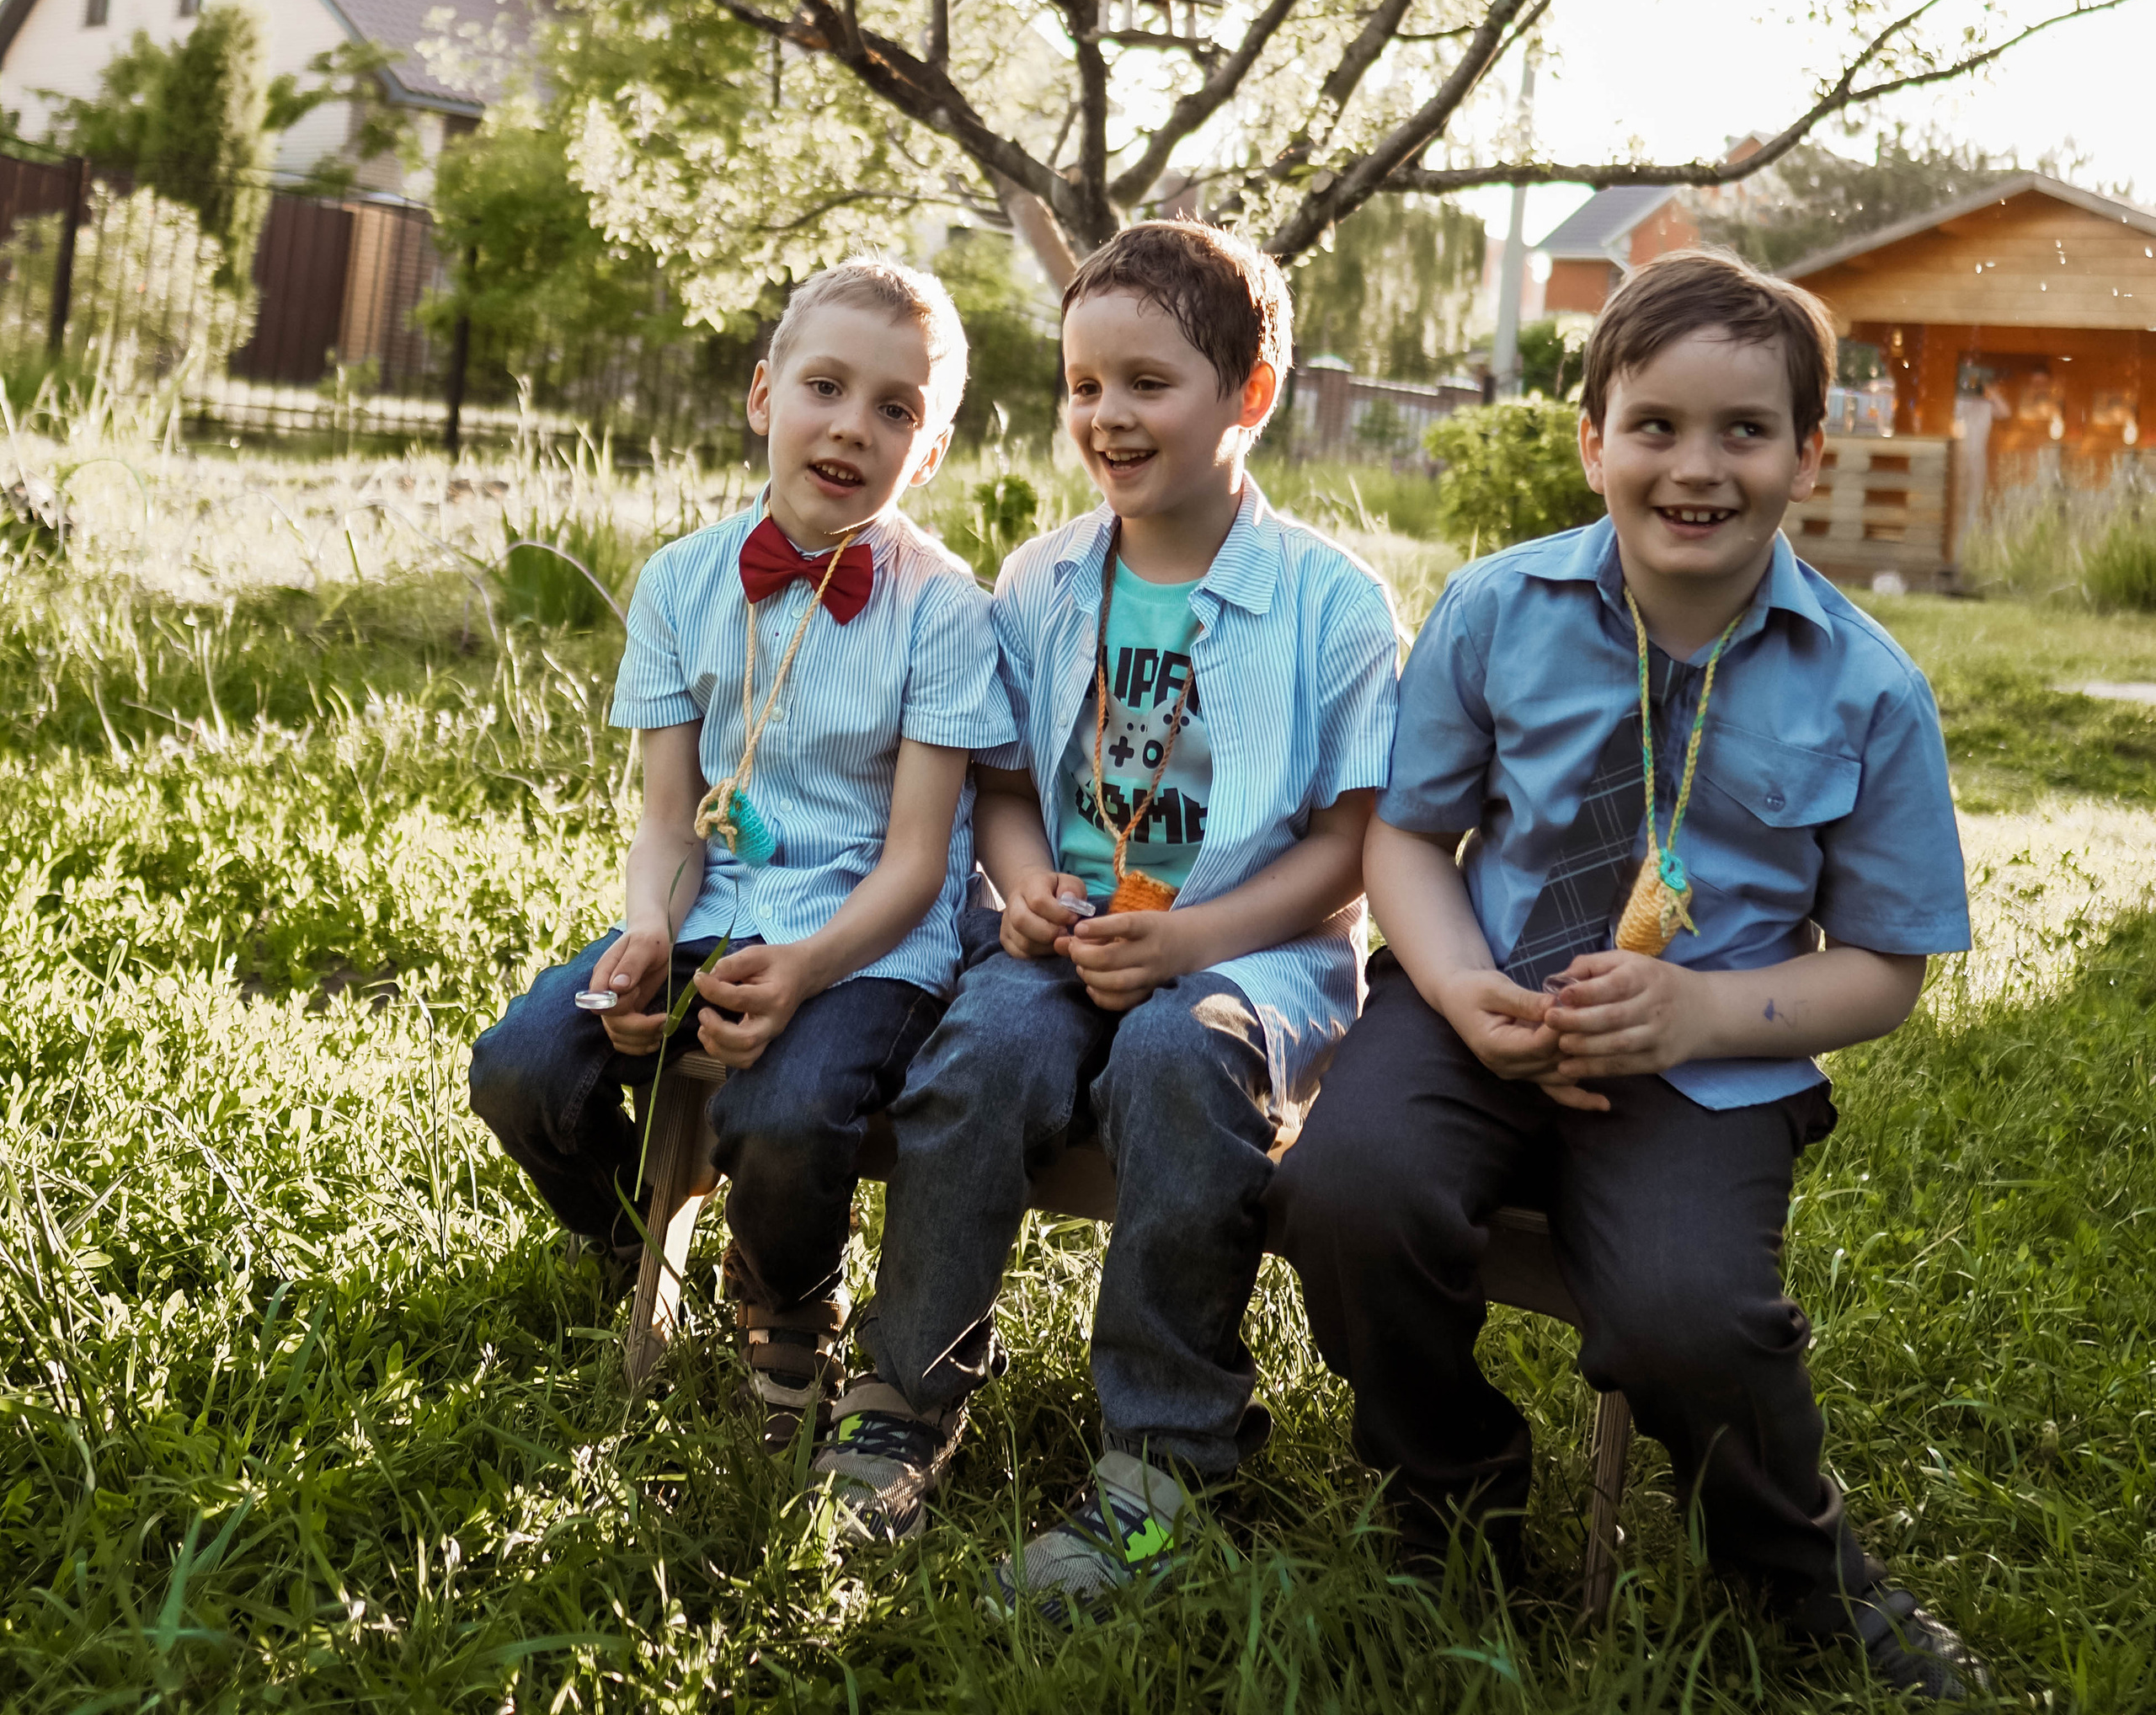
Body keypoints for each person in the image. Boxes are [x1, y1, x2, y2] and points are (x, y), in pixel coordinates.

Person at [1269, 249, 1988, 1702]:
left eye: (1745, 431)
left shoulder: (1865, 685)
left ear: (1808, 454)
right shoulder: (1494, 608)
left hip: (1702, 1060)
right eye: (1655, 424)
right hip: (1482, 1003)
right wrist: (1461, 983)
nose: (1696, 466)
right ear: (1593, 437)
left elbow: (1887, 967)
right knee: (1344, 1191)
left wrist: (1703, 1011)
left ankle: (1797, 1571)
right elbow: (1409, 834)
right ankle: (1449, 1494)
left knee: (1687, 1313)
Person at [812, 219, 1400, 1618]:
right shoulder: (1047, 578)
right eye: (1084, 385)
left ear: (1250, 394)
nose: (1107, 417)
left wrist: (1195, 942)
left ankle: (1167, 1459)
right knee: (982, 1056)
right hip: (1068, 944)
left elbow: (1357, 846)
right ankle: (908, 1387)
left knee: (1174, 1062)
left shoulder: (1331, 602)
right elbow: (1006, 788)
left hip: (1252, 958)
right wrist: (1023, 891)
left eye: (1149, 383)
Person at [467, 259, 1015, 1445]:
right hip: (712, 903)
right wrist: (654, 924)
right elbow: (670, 816)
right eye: (825, 384)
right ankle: (634, 1230)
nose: (851, 425)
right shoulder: (680, 581)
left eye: (895, 408)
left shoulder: (946, 609)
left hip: (869, 936)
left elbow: (922, 860)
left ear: (927, 452)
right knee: (520, 1064)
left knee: (794, 1102)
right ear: (765, 394)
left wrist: (808, 968)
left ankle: (787, 1300)